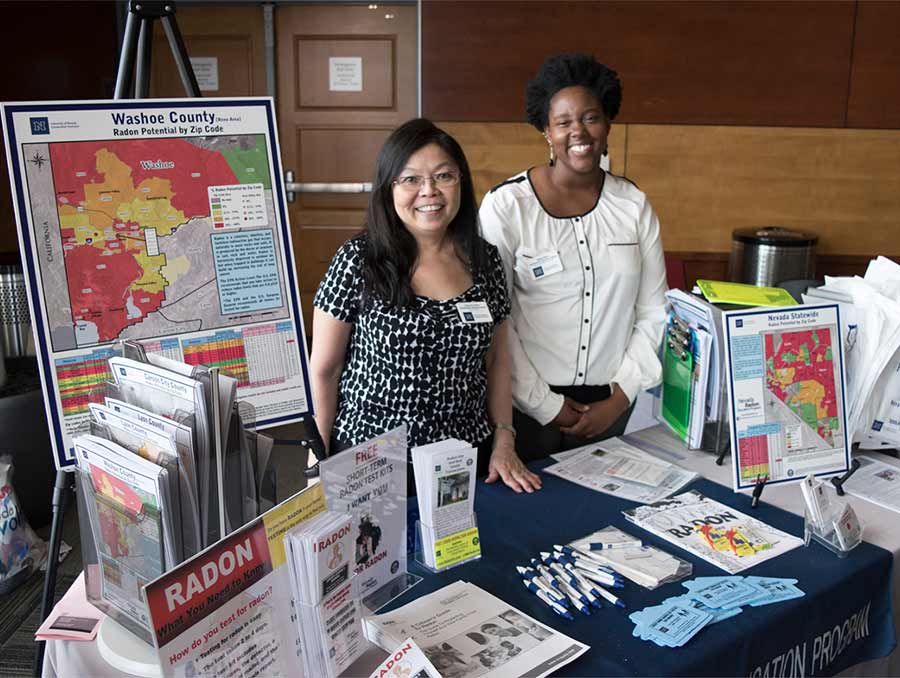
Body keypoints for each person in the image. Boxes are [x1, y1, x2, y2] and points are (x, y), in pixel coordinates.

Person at [310, 118, 541, 493]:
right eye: (411, 179)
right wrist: (315, 461)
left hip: (464, 459)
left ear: (461, 182)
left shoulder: (485, 260)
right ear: (389, 189)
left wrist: (504, 438)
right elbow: (325, 369)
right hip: (371, 461)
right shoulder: (358, 260)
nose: (429, 191)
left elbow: (498, 359)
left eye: (443, 176)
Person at [480, 53, 668, 460]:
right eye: (563, 122)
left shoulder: (634, 206)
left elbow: (654, 312)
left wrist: (620, 398)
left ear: (608, 124)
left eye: (590, 118)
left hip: (613, 407)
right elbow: (498, 320)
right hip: (526, 408)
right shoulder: (506, 207)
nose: (578, 132)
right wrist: (547, 406)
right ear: (546, 130)